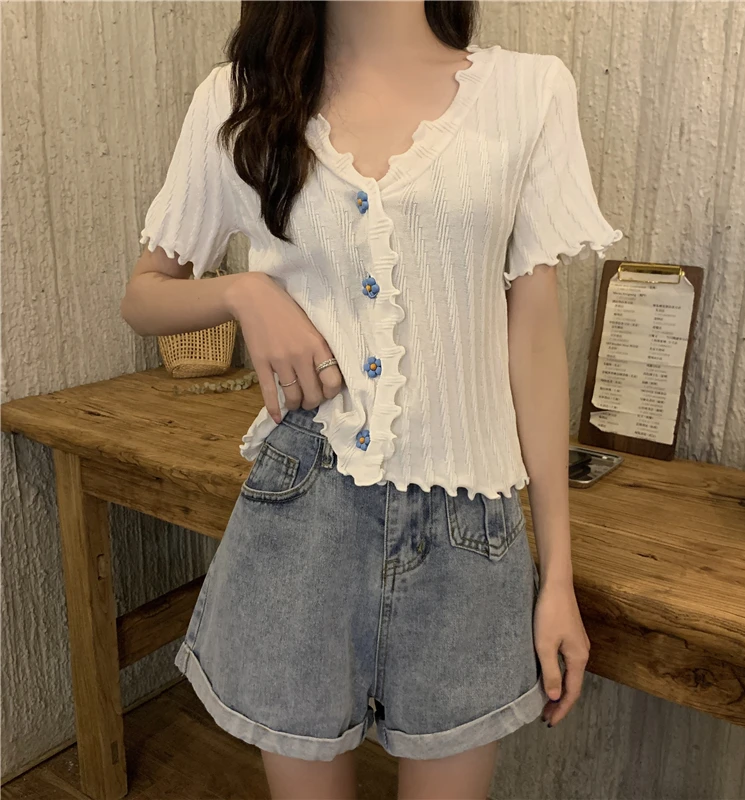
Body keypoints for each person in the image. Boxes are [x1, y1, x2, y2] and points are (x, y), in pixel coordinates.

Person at [121, 2, 621, 798]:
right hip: (302, 512)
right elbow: (145, 294)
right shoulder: (238, 99)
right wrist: (246, 292)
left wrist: (557, 575)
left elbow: (534, 342)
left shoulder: (529, 94)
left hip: (471, 528)